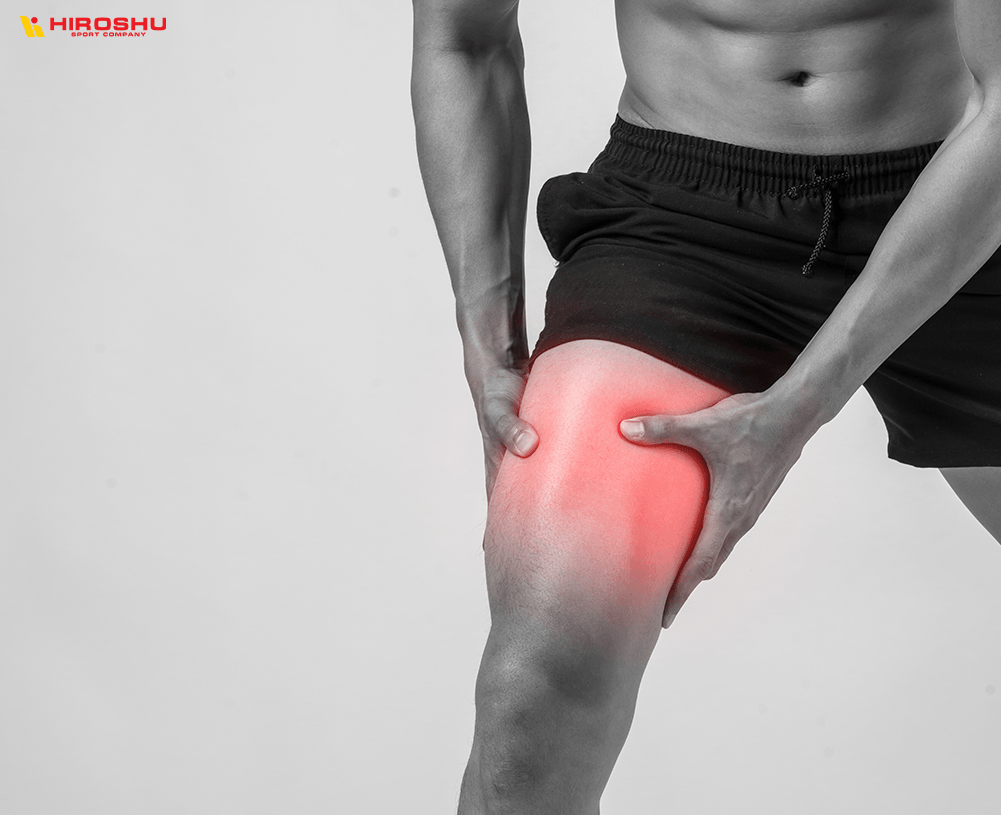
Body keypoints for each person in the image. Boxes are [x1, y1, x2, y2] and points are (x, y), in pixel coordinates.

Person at [411, 0, 1001, 811]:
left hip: (965, 201)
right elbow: (463, 39)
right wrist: (486, 334)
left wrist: (799, 406)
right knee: (532, 699)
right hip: (684, 224)